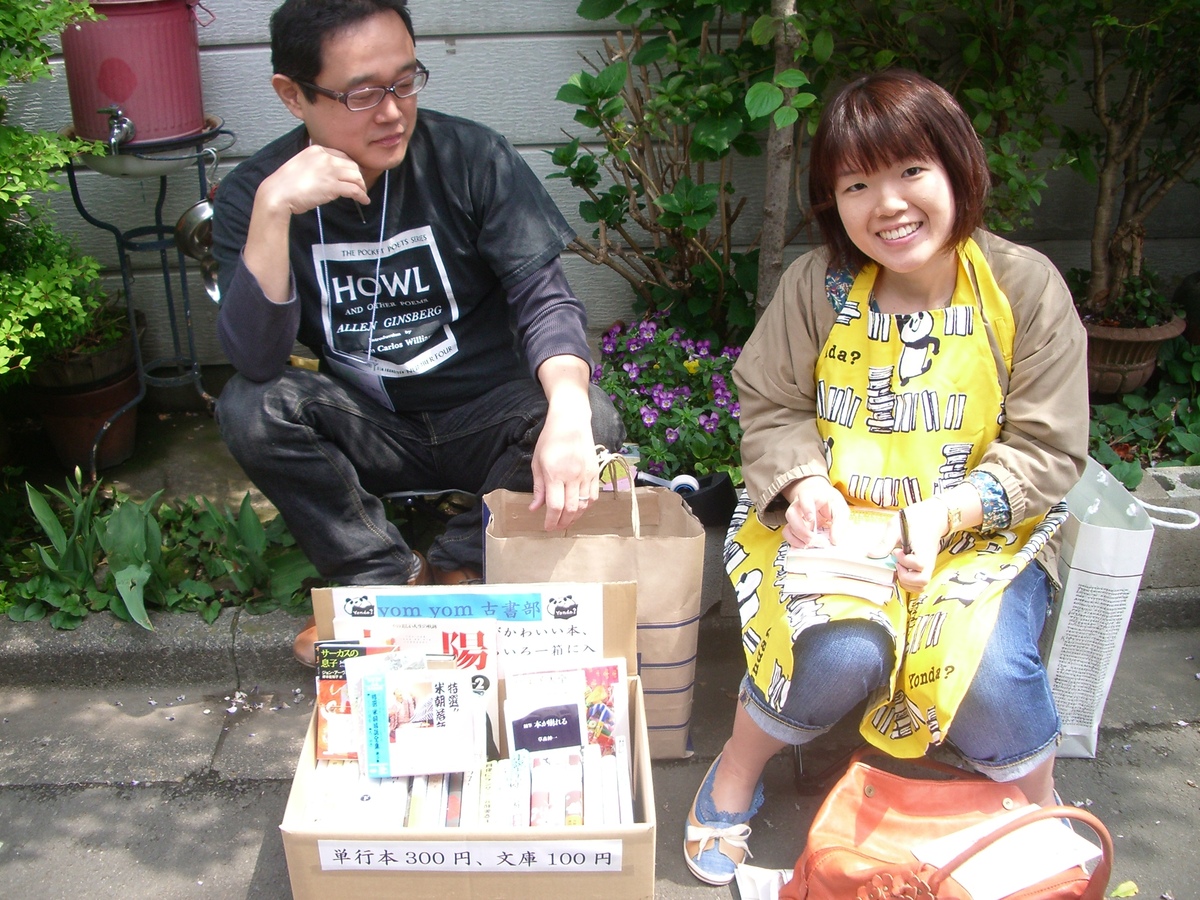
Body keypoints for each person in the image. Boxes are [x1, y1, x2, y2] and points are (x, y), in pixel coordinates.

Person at [683, 69, 1089, 886]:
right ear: (833, 201)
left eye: (911, 171)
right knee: (837, 653)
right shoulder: (818, 285)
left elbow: (1047, 447)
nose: (889, 205)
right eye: (857, 184)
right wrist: (804, 486)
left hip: (977, 533)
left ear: (958, 169)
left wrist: (943, 516)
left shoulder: (1021, 285)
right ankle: (736, 766)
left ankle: (1035, 808)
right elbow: (771, 403)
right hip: (834, 532)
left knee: (990, 674)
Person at [210, 0, 624, 666]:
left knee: (591, 415)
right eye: (362, 93)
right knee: (252, 407)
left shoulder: (471, 158)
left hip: (487, 416)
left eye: (405, 81)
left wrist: (570, 409)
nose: (393, 112)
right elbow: (257, 360)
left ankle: (461, 566)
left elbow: (544, 299)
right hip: (372, 423)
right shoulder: (254, 194)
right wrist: (274, 210)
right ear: (293, 94)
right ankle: (383, 576)